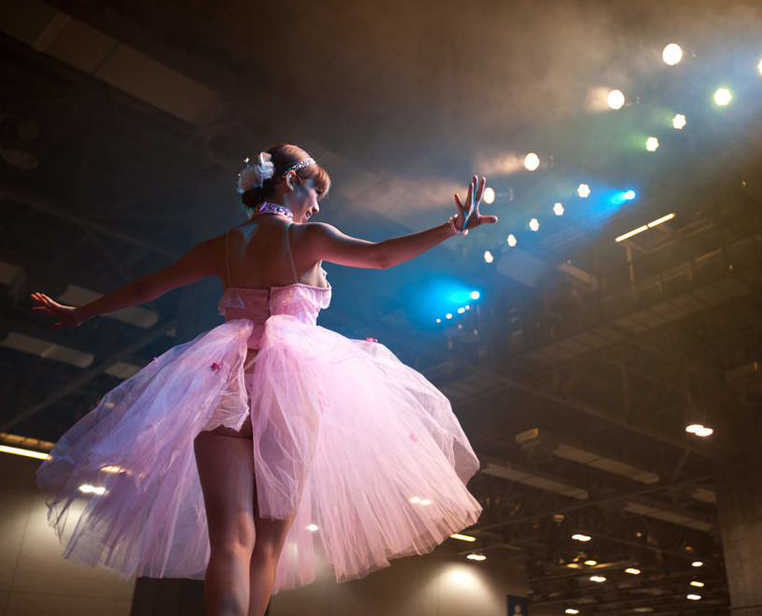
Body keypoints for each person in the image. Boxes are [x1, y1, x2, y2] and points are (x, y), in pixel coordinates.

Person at [29, 144, 497, 616]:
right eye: (316, 189)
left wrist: (82, 310)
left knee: (230, 540)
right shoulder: (311, 238)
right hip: (291, 391)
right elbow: (380, 258)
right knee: (268, 546)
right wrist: (451, 227)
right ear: (291, 181)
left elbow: (149, 287)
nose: (317, 204)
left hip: (223, 385)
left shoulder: (222, 246)